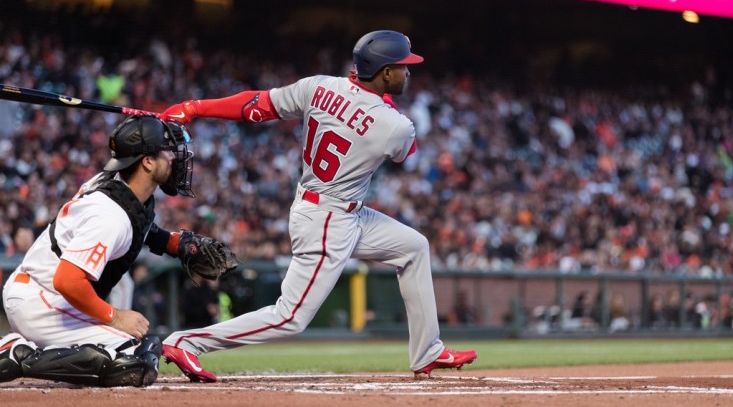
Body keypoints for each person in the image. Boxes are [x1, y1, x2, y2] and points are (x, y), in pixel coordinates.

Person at [158, 30, 477, 382]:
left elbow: (256, 105)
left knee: (414, 247)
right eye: (403, 67)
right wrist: (385, 102)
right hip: (329, 218)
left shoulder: (319, 86)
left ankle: (428, 350)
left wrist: (196, 108)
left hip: (339, 209)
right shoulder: (395, 125)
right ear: (385, 73)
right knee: (290, 317)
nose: (408, 73)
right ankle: (187, 342)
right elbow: (408, 154)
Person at [0, 115, 217, 387]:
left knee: (142, 350)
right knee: (134, 361)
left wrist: (173, 243)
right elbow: (67, 280)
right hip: (42, 300)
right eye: (166, 152)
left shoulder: (122, 189)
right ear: (147, 162)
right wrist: (115, 317)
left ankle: (28, 351)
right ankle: (16, 355)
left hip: (48, 296)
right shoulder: (109, 215)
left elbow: (138, 225)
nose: (174, 158)